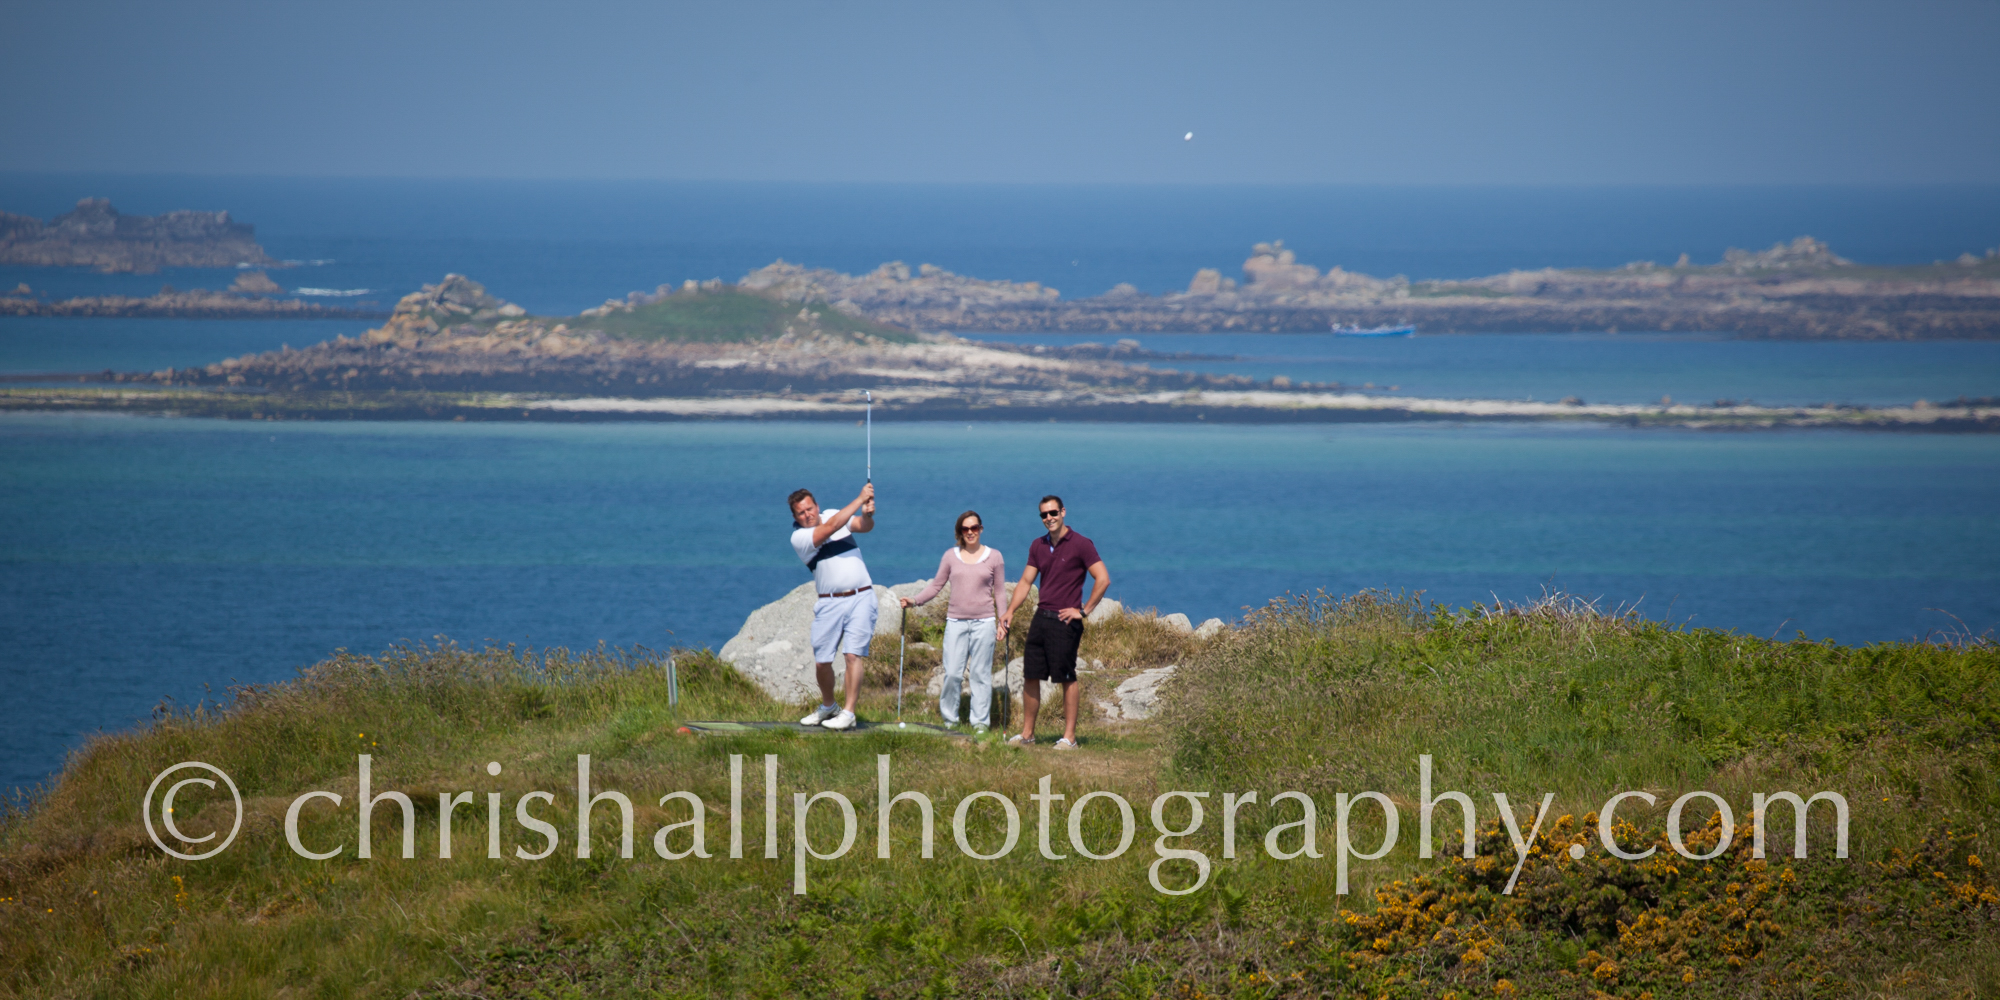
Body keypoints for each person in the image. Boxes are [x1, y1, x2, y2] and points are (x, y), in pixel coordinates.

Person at [997, 495, 1109, 748]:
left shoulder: (1081, 544)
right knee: (1031, 675)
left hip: (1065, 621)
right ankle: (1028, 735)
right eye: (1044, 515)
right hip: (1041, 617)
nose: (1049, 518)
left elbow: (1102, 579)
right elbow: (1026, 582)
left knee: (1066, 677)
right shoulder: (1038, 545)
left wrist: (1083, 611)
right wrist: (1010, 611)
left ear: (1063, 512)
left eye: (1053, 513)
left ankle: (1069, 738)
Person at [902, 510, 1006, 733]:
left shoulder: (994, 556)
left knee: (980, 674)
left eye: (974, 528)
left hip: (985, 622)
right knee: (952, 674)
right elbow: (936, 585)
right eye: (965, 529)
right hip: (956, 623)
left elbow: (1000, 592)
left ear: (981, 529)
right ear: (960, 532)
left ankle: (980, 723)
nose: (970, 532)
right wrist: (914, 600)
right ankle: (950, 720)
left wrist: (1002, 621)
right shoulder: (950, 556)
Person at [789, 483, 876, 731]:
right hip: (829, 602)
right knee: (822, 661)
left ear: (816, 506)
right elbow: (831, 528)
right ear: (795, 517)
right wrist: (860, 498)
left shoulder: (832, 514)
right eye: (801, 513)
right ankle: (829, 707)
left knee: (852, 654)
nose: (808, 515)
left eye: (810, 508)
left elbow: (864, 526)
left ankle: (848, 712)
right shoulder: (800, 537)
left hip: (862, 596)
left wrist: (868, 513)